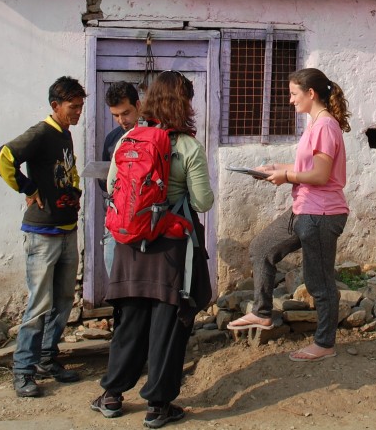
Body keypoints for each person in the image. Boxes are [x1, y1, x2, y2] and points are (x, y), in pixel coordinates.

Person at [91, 70, 214, 426]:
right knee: (167, 323)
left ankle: (112, 395)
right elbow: (203, 202)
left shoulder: (129, 138)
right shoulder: (188, 146)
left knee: (130, 321)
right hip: (171, 248)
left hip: (131, 246)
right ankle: (157, 406)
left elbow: (113, 187)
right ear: (184, 103)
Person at [226, 68, 351, 363]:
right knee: (262, 248)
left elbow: (320, 175)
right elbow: (309, 166)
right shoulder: (315, 124)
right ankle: (262, 313)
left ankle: (324, 343)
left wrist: (287, 176)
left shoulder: (325, 127)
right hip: (304, 209)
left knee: (319, 281)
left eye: (294, 94)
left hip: (321, 213)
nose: (291, 100)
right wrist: (276, 168)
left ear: (311, 94)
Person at [0, 76, 87, 398]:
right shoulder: (41, 133)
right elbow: (1, 156)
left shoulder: (64, 135)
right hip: (42, 233)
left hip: (66, 230)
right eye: (73, 107)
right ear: (55, 106)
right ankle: (23, 370)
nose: (78, 112)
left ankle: (48, 359)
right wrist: (28, 188)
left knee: (62, 301)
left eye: (80, 106)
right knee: (39, 305)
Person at [99, 81, 142, 276]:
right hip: (117, 218)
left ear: (138, 106)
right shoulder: (112, 139)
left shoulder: (154, 135)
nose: (121, 120)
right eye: (115, 115)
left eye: (125, 113)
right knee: (115, 278)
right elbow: (104, 183)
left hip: (145, 220)